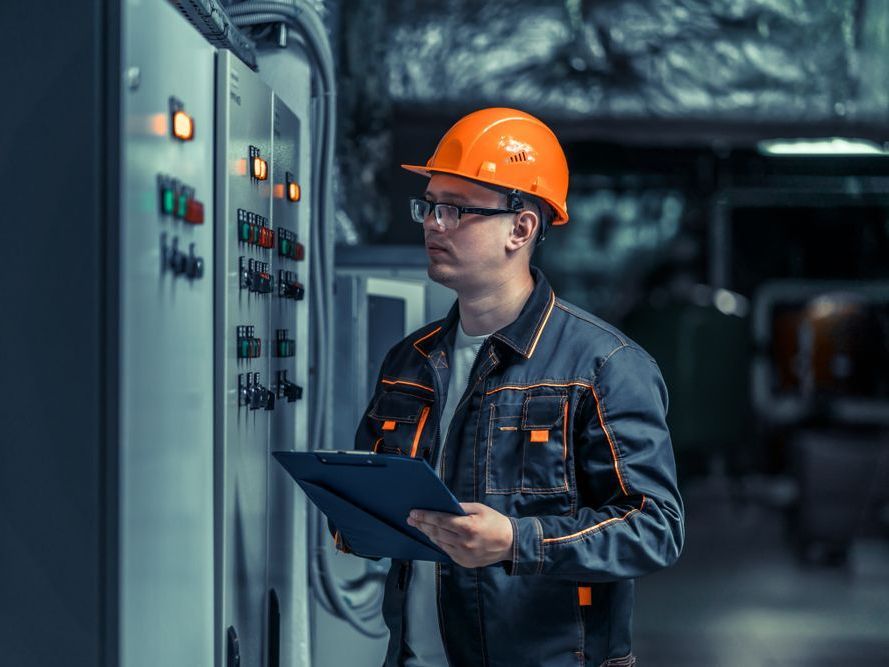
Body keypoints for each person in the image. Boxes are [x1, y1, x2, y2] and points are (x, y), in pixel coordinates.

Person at [331, 107, 685, 667]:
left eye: (455, 209)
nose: (432, 224)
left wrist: (517, 541)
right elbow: (376, 501)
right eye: (429, 205)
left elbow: (655, 526)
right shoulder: (410, 361)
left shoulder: (603, 366)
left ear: (522, 228)